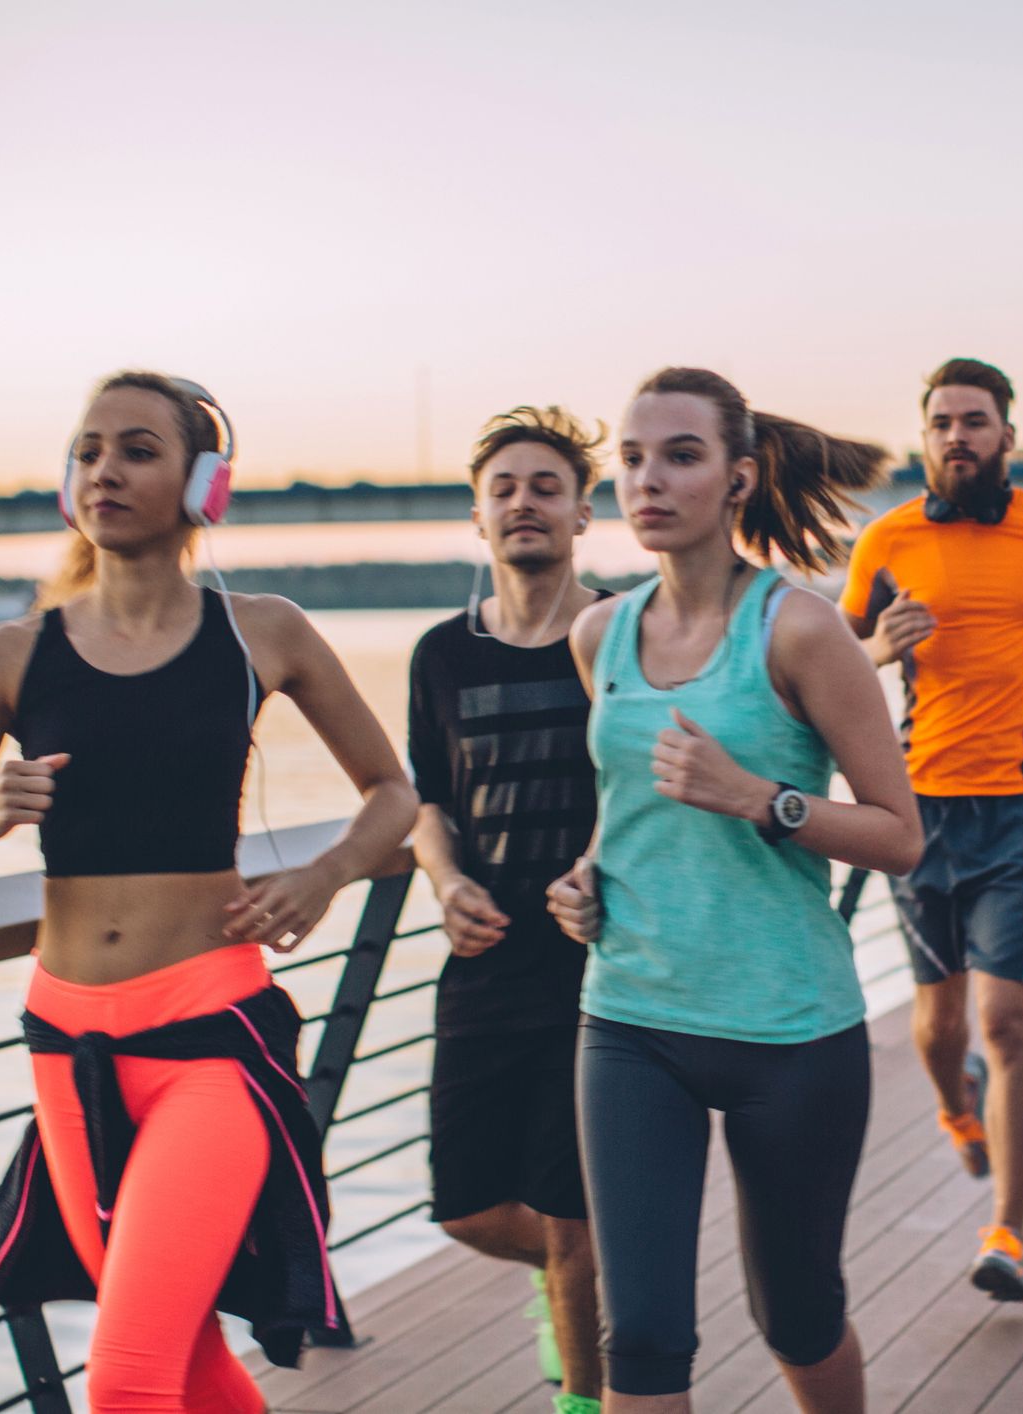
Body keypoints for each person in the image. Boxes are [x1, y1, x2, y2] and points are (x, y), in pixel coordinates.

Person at [0, 371, 418, 1412]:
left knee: (129, 1374)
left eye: (138, 449)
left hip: (210, 1039)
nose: (105, 468)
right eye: (90, 448)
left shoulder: (264, 633)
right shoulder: (9, 656)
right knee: (182, 1351)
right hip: (67, 1046)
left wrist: (323, 875)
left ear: (204, 484)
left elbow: (393, 795)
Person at [545, 366, 921, 1413]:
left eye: (680, 455)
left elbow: (901, 836)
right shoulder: (598, 636)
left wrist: (761, 798)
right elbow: (628, 806)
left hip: (787, 1030)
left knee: (795, 1310)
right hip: (630, 1018)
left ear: (740, 476)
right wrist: (584, 877)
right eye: (629, 458)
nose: (646, 479)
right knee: (648, 1334)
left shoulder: (799, 630)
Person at [840, 357, 1023, 1301]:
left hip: (1022, 810)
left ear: (1006, 435)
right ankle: (952, 1107)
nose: (957, 436)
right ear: (923, 437)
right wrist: (877, 648)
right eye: (942, 422)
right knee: (937, 1028)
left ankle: (1006, 1232)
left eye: (975, 421)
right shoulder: (884, 540)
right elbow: (834, 659)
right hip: (915, 811)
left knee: (1005, 1021)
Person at [407, 406, 607, 1414]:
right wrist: (445, 882)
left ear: (581, 511)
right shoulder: (443, 653)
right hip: (484, 965)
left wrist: (598, 869)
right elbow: (424, 802)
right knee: (470, 1207)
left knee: (573, 1221)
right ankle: (576, 1277)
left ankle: (583, 1386)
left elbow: (654, 786)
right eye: (505, 489)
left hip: (600, 966)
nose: (523, 503)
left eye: (545, 486)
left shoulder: (622, 629)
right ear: (479, 517)